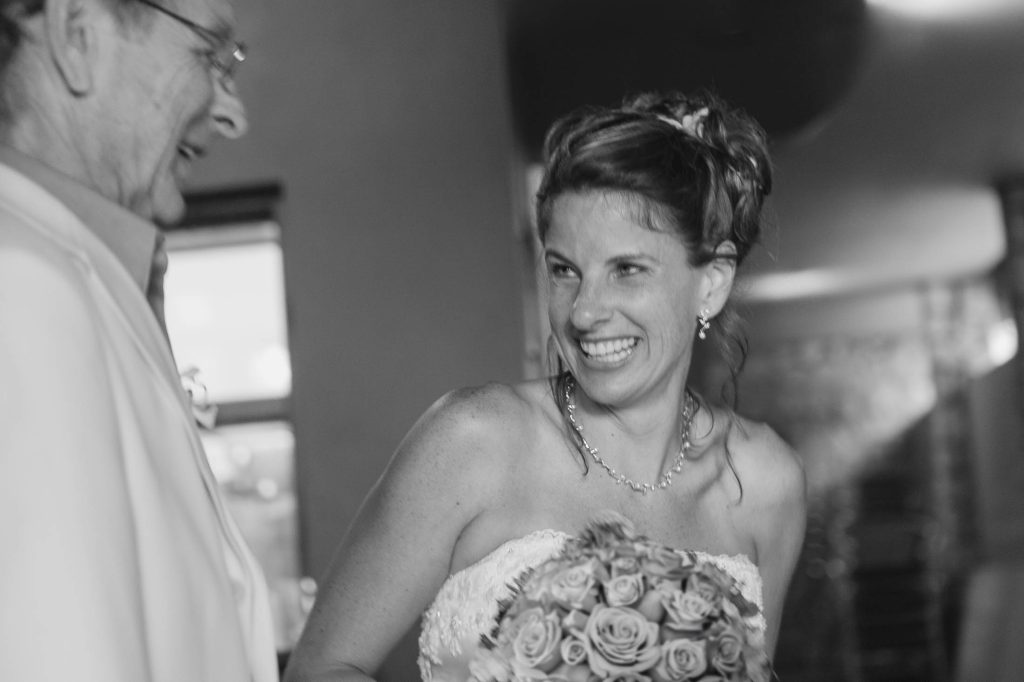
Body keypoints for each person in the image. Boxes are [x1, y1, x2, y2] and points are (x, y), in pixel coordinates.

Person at [284, 91, 807, 681]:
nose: (584, 312)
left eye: (627, 270)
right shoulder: (474, 442)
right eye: (565, 271)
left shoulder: (766, 484)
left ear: (711, 284)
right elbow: (320, 670)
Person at [0, 0, 278, 680]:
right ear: (76, 35)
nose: (232, 114)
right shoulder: (22, 289)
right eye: (208, 54)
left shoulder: (75, 274)